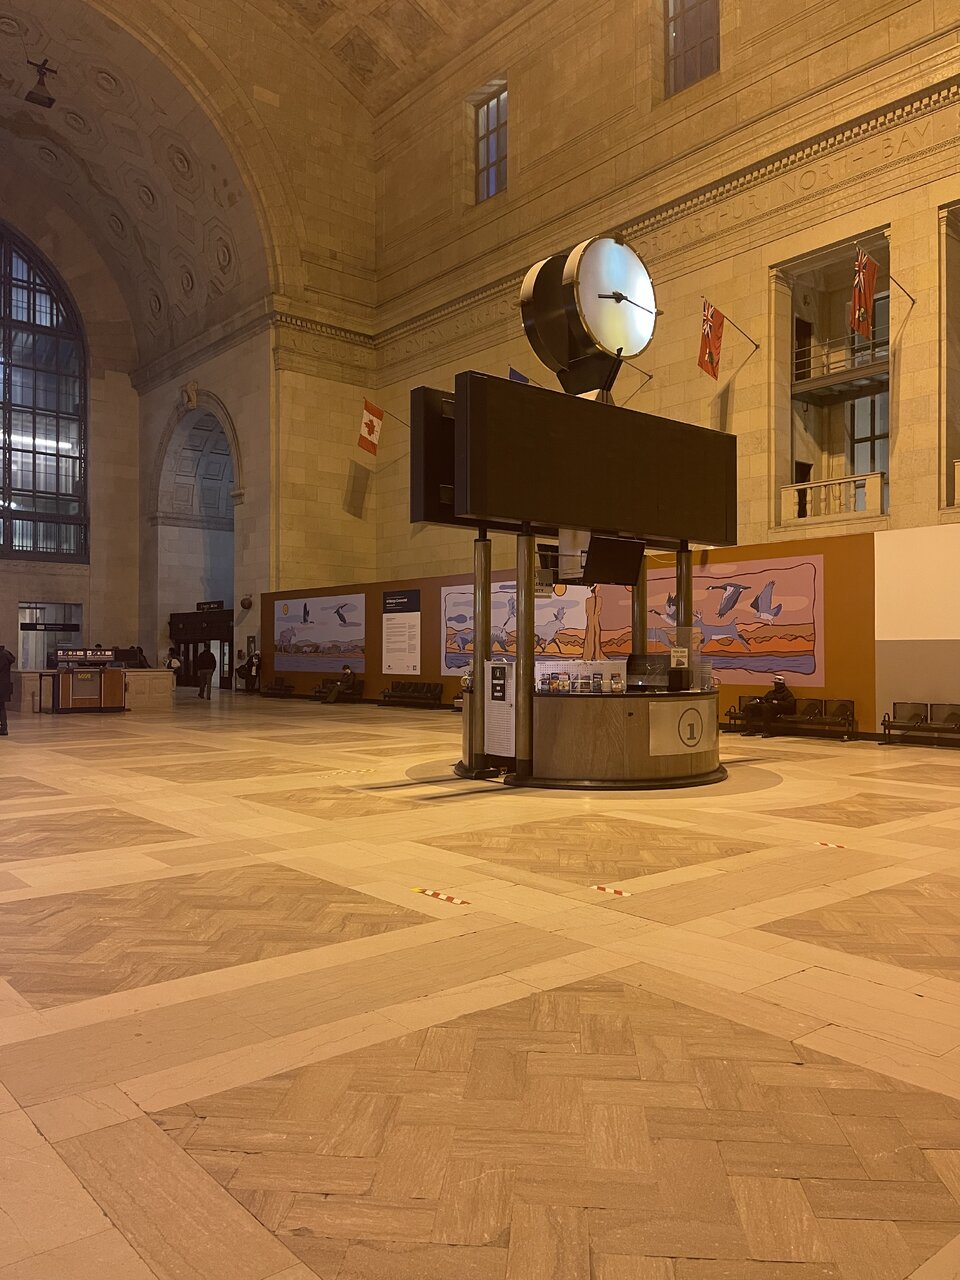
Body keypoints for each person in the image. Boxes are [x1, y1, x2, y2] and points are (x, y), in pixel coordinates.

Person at [0, 641, 14, 737]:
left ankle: (3, 728)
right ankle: (4, 728)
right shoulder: (6, 654)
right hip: (5, 685)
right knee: (2, 707)